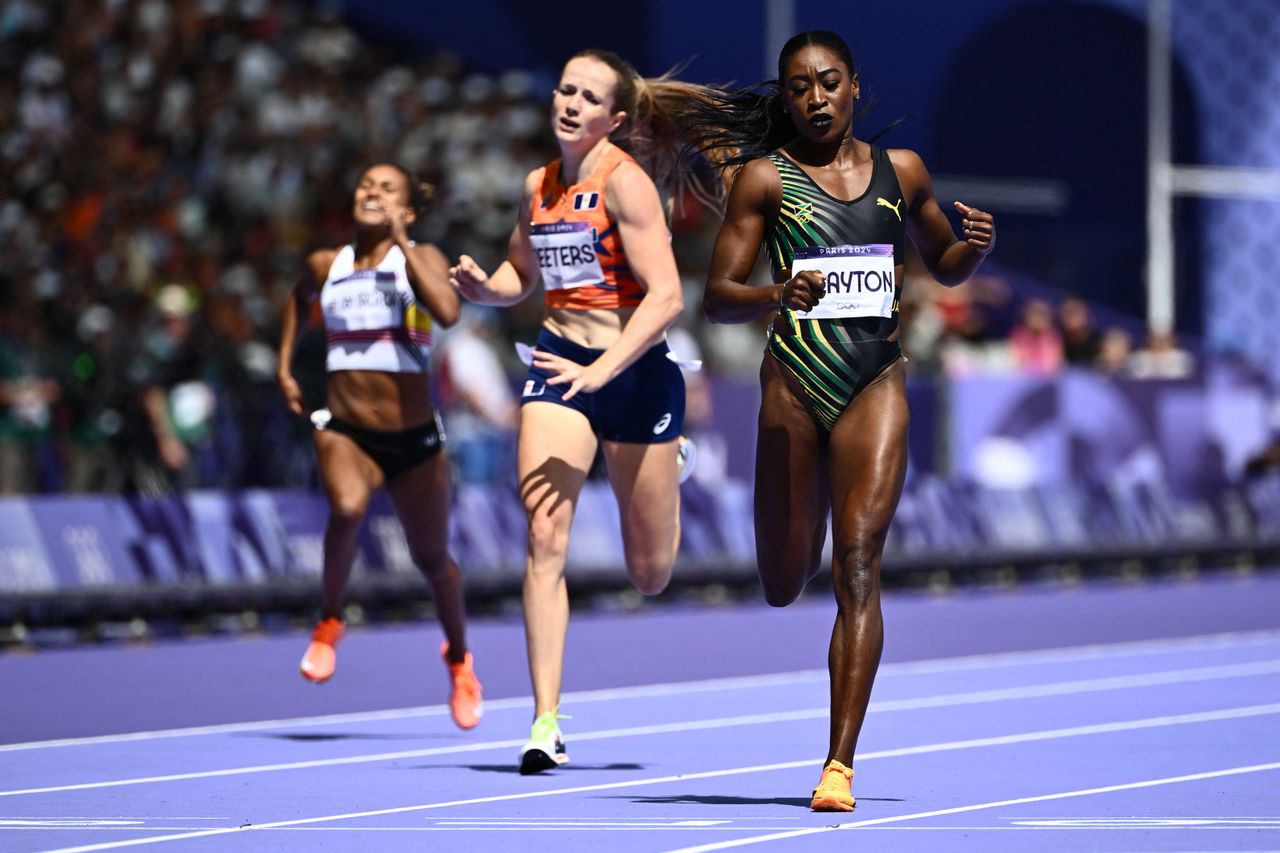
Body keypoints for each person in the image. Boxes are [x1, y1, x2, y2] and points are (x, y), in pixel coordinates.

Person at [694, 30, 996, 810]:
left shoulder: (905, 174)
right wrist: (774, 296)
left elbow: (945, 261)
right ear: (787, 97)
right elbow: (718, 297)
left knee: (857, 564)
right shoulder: (765, 180)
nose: (814, 98)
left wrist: (973, 251)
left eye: (828, 83)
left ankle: (838, 764)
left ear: (855, 87)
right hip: (793, 385)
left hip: (875, 380)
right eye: (798, 87)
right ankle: (795, 539)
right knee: (782, 580)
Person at [449, 49, 714, 774]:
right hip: (560, 368)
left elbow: (665, 298)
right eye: (564, 88)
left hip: (632, 376)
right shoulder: (538, 186)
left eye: (588, 96)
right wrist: (484, 287)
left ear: (614, 119)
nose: (569, 102)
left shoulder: (626, 187)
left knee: (650, 572)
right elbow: (519, 275)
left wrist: (605, 367)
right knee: (544, 534)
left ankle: (672, 462)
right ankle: (545, 720)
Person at [277, 163, 482, 730]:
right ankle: (329, 620)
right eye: (365, 184)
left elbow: (446, 311)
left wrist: (402, 241)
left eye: (388, 189)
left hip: (414, 439)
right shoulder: (327, 263)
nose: (371, 191)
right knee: (346, 508)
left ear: (408, 210)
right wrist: (286, 365)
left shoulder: (422, 257)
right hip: (346, 429)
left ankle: (460, 659)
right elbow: (298, 298)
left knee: (433, 560)